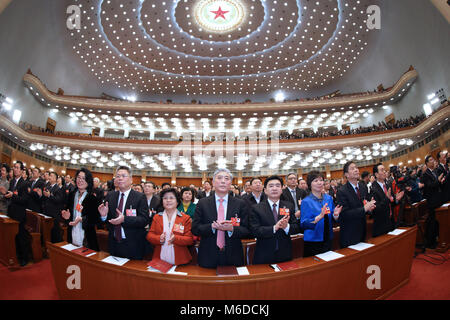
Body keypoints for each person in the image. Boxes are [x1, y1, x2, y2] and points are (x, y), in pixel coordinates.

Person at [192, 168, 250, 268]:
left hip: (233, 254)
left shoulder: (240, 204)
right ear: (213, 183)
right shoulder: (202, 203)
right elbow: (195, 228)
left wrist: (232, 229)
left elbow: (247, 229)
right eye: (219, 178)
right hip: (208, 254)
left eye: (226, 178)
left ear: (230, 183)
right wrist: (212, 227)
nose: (223, 181)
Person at [98, 166, 150, 259]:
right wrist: (104, 216)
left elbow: (144, 220)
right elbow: (108, 221)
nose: (120, 178)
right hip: (114, 243)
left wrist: (124, 219)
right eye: (118, 176)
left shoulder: (140, 197)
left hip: (132, 244)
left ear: (131, 179)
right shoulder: (111, 195)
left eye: (123, 176)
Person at [250, 175, 302, 264]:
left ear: (282, 189)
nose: (274, 188)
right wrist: (274, 228)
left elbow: (297, 227)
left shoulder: (289, 206)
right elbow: (254, 231)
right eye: (271, 186)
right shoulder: (256, 208)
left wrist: (287, 227)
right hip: (264, 255)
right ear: (265, 190)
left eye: (278, 186)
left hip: (285, 253)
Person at [147, 188, 194, 265]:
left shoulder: (185, 218)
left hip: (180, 260)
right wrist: (159, 238)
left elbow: (189, 240)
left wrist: (176, 239)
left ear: (177, 201)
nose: (168, 200)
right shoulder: (157, 217)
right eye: (165, 198)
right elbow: (149, 235)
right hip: (159, 259)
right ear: (162, 201)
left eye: (171, 198)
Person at [300, 171, 342, 257]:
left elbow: (332, 217)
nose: (319, 183)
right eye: (316, 180)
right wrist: (318, 217)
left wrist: (336, 215)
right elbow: (303, 224)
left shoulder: (328, 198)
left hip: (328, 237)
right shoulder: (306, 201)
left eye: (321, 180)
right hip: (313, 240)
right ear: (310, 184)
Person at [336, 161, 376, 248]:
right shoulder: (342, 191)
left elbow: (363, 204)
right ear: (346, 174)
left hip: (362, 230)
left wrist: (369, 208)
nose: (356, 170)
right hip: (349, 233)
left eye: (356, 168)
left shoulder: (362, 186)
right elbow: (344, 214)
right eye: (352, 168)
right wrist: (364, 209)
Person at [61, 168, 101, 250]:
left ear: (88, 181)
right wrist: (66, 217)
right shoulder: (71, 195)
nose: (80, 180)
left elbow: (96, 219)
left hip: (87, 236)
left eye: (83, 178)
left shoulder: (92, 198)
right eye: (79, 177)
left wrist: (82, 219)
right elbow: (67, 213)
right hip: (72, 232)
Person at [5, 161, 31, 266]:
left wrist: (12, 196)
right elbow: (12, 194)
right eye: (14, 167)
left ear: (21, 170)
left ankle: (24, 258)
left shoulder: (25, 184)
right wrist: (6, 194)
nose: (15, 169)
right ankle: (14, 255)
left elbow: (25, 200)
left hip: (19, 214)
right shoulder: (12, 182)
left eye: (17, 167)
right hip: (11, 211)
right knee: (12, 237)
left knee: (20, 237)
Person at [420, 155, 445, 248]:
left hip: (438, 200)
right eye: (430, 160)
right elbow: (429, 186)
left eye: (433, 160)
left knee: (437, 221)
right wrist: (438, 181)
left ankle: (437, 238)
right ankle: (430, 242)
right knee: (432, 222)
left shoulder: (435, 171)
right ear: (426, 163)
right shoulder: (425, 174)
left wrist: (440, 181)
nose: (433, 161)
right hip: (432, 202)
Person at [37, 172, 65, 243]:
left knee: (54, 234)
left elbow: (59, 200)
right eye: (49, 176)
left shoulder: (58, 188)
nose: (49, 177)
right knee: (45, 232)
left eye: (51, 176)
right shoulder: (47, 187)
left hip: (54, 214)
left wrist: (50, 195)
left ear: (56, 179)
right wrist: (40, 195)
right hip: (46, 212)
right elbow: (44, 199)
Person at [370, 163, 397, 237]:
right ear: (376, 174)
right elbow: (376, 208)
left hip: (391, 220)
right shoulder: (373, 189)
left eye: (384, 170)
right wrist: (387, 199)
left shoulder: (388, 185)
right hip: (381, 224)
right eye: (382, 170)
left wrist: (396, 199)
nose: (385, 172)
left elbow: (392, 202)